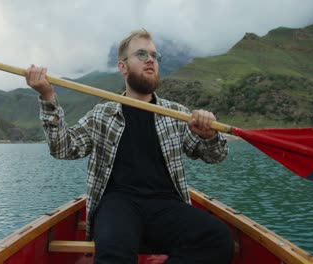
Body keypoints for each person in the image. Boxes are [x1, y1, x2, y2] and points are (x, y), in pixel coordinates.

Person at [26, 29, 234, 264]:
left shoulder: (177, 114)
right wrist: (47, 97)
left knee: (219, 239)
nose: (150, 60)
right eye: (141, 54)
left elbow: (216, 156)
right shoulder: (102, 114)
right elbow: (63, 149)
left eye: (155, 56)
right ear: (122, 67)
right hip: (119, 204)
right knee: (113, 253)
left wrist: (209, 135)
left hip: (166, 205)